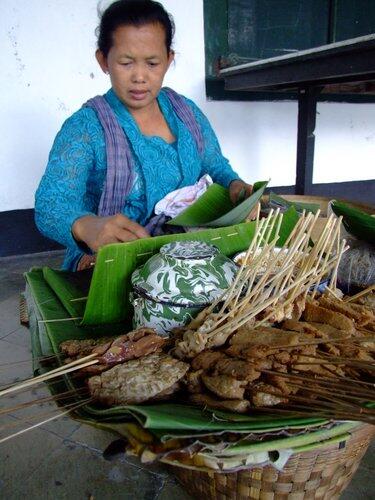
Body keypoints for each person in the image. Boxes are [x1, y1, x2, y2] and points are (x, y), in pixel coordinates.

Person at [35, 0, 253, 271]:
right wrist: (87, 226)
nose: (140, 76)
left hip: (185, 253)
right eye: (126, 63)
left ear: (169, 60)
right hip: (112, 260)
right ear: (104, 60)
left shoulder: (186, 113)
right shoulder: (86, 128)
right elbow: (51, 204)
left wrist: (234, 184)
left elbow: (214, 165)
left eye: (152, 63)